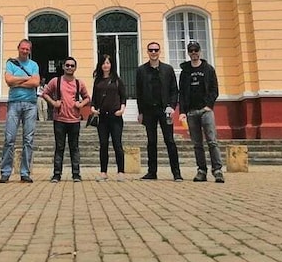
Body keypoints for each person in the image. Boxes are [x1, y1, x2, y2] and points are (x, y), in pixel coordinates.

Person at [136, 42, 183, 181]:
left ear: (159, 51)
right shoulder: (141, 70)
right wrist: (140, 112)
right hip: (149, 111)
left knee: (169, 141)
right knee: (151, 142)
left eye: (156, 50)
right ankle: (152, 172)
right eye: (151, 50)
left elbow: (174, 90)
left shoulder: (168, 69)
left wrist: (172, 106)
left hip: (165, 110)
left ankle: (176, 173)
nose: (153, 52)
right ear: (147, 52)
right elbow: (139, 92)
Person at [178, 41, 224, 183]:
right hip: (191, 112)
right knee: (197, 144)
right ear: (188, 53)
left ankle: (217, 170)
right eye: (191, 50)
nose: (194, 53)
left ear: (200, 51)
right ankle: (201, 170)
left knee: (212, 141)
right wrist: (183, 111)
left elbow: (214, 89)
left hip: (206, 111)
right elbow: (183, 93)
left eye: (196, 50)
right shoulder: (185, 72)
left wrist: (209, 106)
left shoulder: (208, 69)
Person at [41, 57, 90, 182]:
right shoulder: (55, 81)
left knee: (74, 148)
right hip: (59, 119)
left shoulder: (79, 83)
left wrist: (81, 104)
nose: (69, 67)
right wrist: (53, 102)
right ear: (63, 67)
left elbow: (87, 97)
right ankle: (57, 174)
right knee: (59, 147)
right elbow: (45, 93)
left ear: (75, 68)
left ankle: (76, 174)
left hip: (74, 120)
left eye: (72, 66)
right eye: (67, 65)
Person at [0, 39, 40, 183]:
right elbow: (9, 81)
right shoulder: (11, 63)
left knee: (28, 139)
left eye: (27, 49)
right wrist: (26, 78)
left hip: (30, 104)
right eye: (23, 48)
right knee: (9, 139)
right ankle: (5, 172)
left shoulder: (34, 65)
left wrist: (18, 81)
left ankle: (25, 172)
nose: (25, 51)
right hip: (14, 104)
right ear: (18, 48)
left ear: (30, 50)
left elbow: (36, 82)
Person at [90, 54, 127, 182]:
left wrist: (122, 110)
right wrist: (93, 109)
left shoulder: (117, 80)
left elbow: (123, 97)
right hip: (102, 118)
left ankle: (121, 171)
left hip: (115, 117)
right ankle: (103, 172)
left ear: (111, 65)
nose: (106, 65)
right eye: (104, 63)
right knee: (103, 144)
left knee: (117, 144)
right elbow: (94, 99)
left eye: (108, 63)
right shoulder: (98, 81)